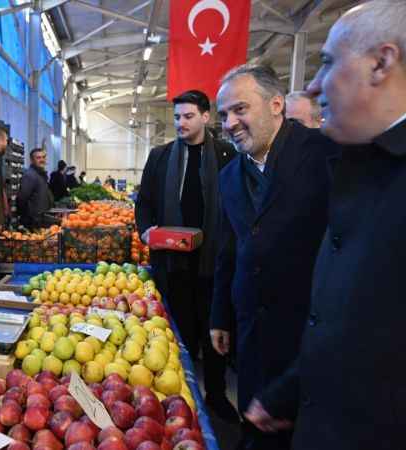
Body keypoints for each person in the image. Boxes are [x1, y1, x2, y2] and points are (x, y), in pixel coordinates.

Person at [244, 2, 406, 449]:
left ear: (382, 63)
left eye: (329, 62)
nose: (313, 86)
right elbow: (363, 321)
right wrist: (292, 391)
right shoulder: (362, 164)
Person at [211, 64, 336, 450]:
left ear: (276, 104)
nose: (230, 123)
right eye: (223, 115)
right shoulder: (230, 176)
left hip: (307, 329)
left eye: (239, 110)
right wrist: (221, 315)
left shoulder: (323, 154)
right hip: (251, 330)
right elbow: (229, 249)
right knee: (256, 421)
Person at [135, 90, 237, 422]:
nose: (181, 122)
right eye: (177, 117)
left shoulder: (226, 154)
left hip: (213, 261)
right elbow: (145, 202)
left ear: (206, 117)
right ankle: (181, 394)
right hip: (171, 262)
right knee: (178, 329)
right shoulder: (161, 156)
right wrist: (147, 229)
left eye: (188, 116)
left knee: (214, 328)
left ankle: (218, 394)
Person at [17, 148, 55, 228]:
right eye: (38, 158)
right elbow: (22, 198)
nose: (42, 160)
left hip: (41, 218)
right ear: (32, 160)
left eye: (43, 157)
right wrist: (27, 217)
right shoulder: (30, 175)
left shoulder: (41, 174)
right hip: (33, 221)